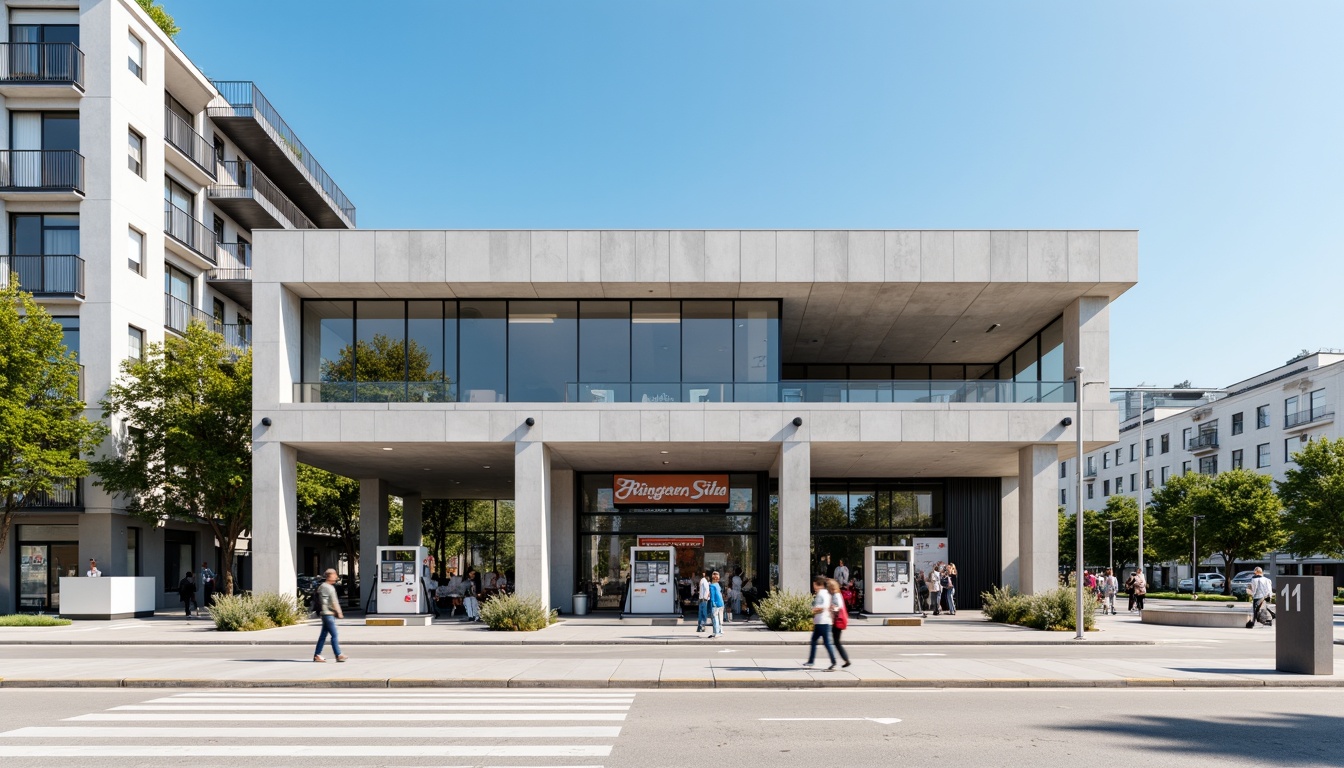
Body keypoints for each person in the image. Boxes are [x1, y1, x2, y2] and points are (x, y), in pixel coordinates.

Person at [802, 576, 837, 670]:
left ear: (818, 584)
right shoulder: (826, 593)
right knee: (817, 641)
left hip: (822, 622)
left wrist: (813, 610)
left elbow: (823, 607)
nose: (813, 587)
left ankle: (832, 661)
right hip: (823, 621)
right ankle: (811, 661)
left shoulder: (821, 593)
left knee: (825, 642)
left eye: (814, 585)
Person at [313, 568, 347, 662]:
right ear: (330, 576)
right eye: (335, 574)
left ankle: (317, 655)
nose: (336, 576)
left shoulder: (326, 586)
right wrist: (339, 612)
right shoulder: (327, 587)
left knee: (323, 636)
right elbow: (333, 602)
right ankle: (338, 654)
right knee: (334, 635)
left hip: (327, 614)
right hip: (327, 614)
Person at [826, 578, 851, 668]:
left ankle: (838, 661)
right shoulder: (836, 594)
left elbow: (837, 607)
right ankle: (845, 660)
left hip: (837, 622)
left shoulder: (836, 595)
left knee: (835, 642)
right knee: (836, 642)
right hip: (836, 621)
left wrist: (830, 608)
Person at [706, 571, 725, 638]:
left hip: (715, 604)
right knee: (720, 618)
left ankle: (716, 632)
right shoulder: (718, 585)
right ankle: (719, 631)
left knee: (714, 618)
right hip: (721, 603)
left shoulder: (712, 586)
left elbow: (712, 596)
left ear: (712, 578)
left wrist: (713, 604)